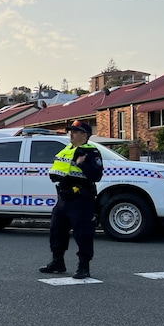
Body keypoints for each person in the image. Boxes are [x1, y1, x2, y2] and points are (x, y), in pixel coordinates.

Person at [39, 119, 104, 279]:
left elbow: (96, 175)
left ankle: (84, 267)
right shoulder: (66, 150)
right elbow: (59, 169)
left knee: (83, 234)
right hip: (63, 197)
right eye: (70, 131)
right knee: (57, 230)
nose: (71, 134)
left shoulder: (91, 151)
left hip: (81, 199)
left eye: (75, 132)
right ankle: (57, 262)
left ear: (84, 135)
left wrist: (82, 164)